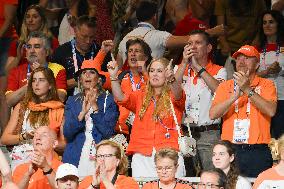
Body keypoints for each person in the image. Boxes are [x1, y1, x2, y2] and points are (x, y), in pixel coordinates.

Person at [108, 57, 186, 177]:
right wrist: (113, 77)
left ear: (167, 73)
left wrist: (172, 79)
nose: (155, 74)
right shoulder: (141, 94)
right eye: (152, 70)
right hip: (142, 154)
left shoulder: (174, 93)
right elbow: (120, 98)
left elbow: (178, 95)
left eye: (160, 71)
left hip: (169, 152)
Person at [210, 45, 277, 177]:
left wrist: (247, 89)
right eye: (238, 58)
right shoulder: (225, 86)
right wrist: (234, 97)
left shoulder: (266, 85)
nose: (241, 61)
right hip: (230, 150)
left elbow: (271, 111)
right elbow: (213, 114)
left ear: (257, 64)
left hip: (257, 150)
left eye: (247, 58)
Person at [175, 30, 227, 171]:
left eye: (198, 43)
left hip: (209, 134)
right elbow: (173, 92)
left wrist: (198, 67)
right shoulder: (179, 69)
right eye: (190, 43)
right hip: (184, 133)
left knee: (211, 178)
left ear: (209, 48)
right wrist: (184, 63)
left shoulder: (219, 70)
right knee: (187, 178)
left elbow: (219, 90)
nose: (193, 47)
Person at [63, 59, 118, 179]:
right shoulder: (72, 101)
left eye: (92, 72)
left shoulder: (108, 100)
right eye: (84, 73)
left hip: (100, 153)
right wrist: (82, 113)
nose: (87, 75)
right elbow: (67, 132)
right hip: (75, 153)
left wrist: (95, 107)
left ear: (99, 79)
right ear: (80, 80)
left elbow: (107, 132)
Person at [1, 67, 65, 171]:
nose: (36, 84)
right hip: (20, 160)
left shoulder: (58, 108)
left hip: (45, 160)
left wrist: (48, 142)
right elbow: (4, 139)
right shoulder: (21, 107)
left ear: (50, 85)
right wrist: (24, 136)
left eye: (41, 80)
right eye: (34, 80)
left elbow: (64, 143)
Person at [117, 1, 190, 69]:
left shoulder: (124, 39)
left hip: (127, 81)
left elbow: (119, 70)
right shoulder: (158, 36)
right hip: (149, 80)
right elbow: (189, 40)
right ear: (155, 17)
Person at [51, 15, 111, 96]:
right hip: (69, 102)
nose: (88, 41)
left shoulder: (102, 52)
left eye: (92, 37)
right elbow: (52, 84)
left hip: (97, 100)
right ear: (75, 31)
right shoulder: (61, 52)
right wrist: (79, 81)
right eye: (84, 36)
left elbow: (112, 81)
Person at [6, 31, 67, 108]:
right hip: (23, 116)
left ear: (47, 52)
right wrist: (30, 84)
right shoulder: (16, 71)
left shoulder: (58, 69)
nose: (32, 51)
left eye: (37, 46)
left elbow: (61, 97)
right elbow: (9, 101)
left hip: (48, 115)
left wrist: (42, 73)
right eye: (29, 47)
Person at [5, 4, 59, 73]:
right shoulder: (17, 44)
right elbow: (8, 72)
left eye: (35, 17)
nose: (30, 20)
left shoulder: (52, 42)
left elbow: (57, 69)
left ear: (42, 20)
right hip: (21, 81)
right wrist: (18, 58)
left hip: (44, 80)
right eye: (28, 17)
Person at [256, 10, 284, 139]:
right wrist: (266, 72)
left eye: (271, 22)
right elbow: (249, 75)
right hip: (262, 99)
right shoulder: (256, 49)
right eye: (264, 22)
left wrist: (281, 70)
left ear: (278, 24)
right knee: (264, 138)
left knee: (281, 139)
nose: (267, 25)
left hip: (282, 99)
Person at [214, 0, 266, 66]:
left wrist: (257, 40)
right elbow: (220, 27)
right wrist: (224, 43)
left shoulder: (259, 2)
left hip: (250, 45)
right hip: (229, 46)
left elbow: (262, 21)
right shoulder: (222, 1)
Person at [117, 38, 152, 135]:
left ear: (145, 57)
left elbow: (156, 94)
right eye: (130, 51)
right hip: (122, 133)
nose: (132, 54)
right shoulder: (119, 77)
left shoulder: (152, 78)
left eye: (137, 51)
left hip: (146, 131)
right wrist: (103, 51)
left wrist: (144, 72)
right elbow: (94, 73)